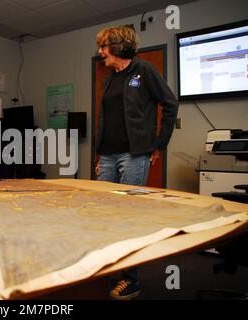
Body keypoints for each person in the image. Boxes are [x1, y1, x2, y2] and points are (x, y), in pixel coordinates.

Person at [94, 26, 179, 300]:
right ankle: (105, 272)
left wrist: (158, 144)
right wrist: (99, 155)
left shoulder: (144, 71)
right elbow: (106, 120)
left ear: (118, 46)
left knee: (128, 218)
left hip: (134, 155)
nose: (100, 52)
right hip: (107, 156)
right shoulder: (108, 80)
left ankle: (131, 280)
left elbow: (170, 103)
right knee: (102, 217)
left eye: (103, 46)